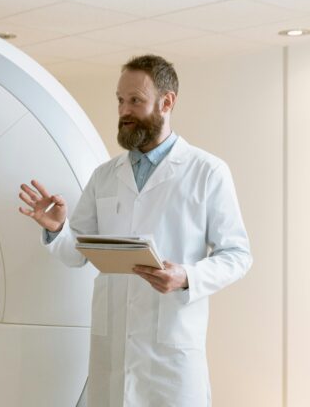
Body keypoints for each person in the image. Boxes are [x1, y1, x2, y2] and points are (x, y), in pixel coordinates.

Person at [18, 54, 251, 406]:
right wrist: (58, 229)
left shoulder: (207, 171)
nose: (124, 110)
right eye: (120, 100)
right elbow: (77, 254)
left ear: (166, 102)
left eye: (136, 101)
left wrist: (186, 276)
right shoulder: (105, 175)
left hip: (170, 350)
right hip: (113, 349)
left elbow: (237, 255)